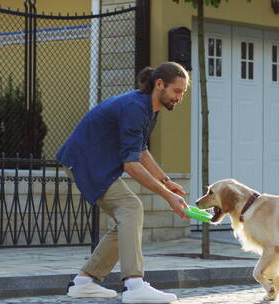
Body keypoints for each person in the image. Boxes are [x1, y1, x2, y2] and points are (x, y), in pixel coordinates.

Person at [57, 62, 190, 304]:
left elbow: (141, 151)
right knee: (131, 207)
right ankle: (134, 284)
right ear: (159, 84)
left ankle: (83, 282)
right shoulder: (135, 108)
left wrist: (166, 182)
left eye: (183, 92)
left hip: (94, 162)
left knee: (126, 217)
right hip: (85, 161)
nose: (179, 98)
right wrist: (168, 196)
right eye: (177, 91)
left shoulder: (150, 108)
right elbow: (131, 165)